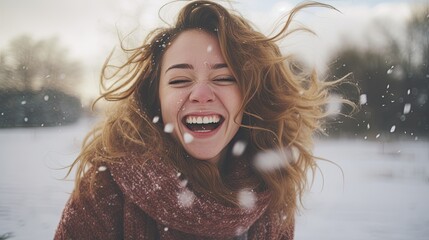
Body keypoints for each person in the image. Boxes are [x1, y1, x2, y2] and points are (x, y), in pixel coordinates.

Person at [55, 0, 339, 239]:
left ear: (250, 95)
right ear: (156, 98)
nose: (201, 94)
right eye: (180, 80)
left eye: (224, 77)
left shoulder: (270, 188)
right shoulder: (105, 188)